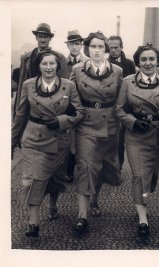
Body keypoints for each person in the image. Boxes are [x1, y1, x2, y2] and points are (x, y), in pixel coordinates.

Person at [12, 50, 84, 237]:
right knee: (31, 180)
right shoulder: (29, 85)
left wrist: (62, 121)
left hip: (59, 139)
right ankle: (33, 223)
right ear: (38, 66)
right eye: (44, 64)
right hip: (33, 138)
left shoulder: (68, 86)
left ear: (58, 67)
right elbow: (20, 115)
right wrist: (11, 142)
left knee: (55, 178)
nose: (48, 67)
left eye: (52, 64)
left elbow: (80, 113)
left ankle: (53, 205)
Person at [115, 42, 159, 238]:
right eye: (143, 59)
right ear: (137, 62)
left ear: (158, 61)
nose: (148, 63)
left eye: (152, 59)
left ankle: (142, 200)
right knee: (139, 175)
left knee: (152, 175)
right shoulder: (128, 82)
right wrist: (133, 122)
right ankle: (143, 217)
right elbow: (119, 110)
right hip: (135, 135)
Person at [70, 31, 123, 235]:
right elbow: (70, 96)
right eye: (93, 46)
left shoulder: (117, 71)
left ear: (107, 50)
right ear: (87, 49)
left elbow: (123, 99)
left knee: (100, 167)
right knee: (85, 166)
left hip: (110, 126)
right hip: (85, 125)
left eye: (101, 47)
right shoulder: (77, 70)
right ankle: (82, 216)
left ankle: (95, 200)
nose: (97, 50)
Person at [14, 23, 68, 114]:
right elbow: (21, 83)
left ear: (50, 38)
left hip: (49, 103)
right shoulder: (26, 57)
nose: (43, 40)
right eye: (40, 36)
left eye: (46, 37)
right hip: (29, 101)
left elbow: (64, 85)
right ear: (36, 37)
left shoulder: (59, 57)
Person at [108, 35, 136, 171]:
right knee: (108, 139)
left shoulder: (129, 64)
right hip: (108, 107)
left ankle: (117, 168)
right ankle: (107, 167)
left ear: (121, 47)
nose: (113, 50)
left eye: (116, 47)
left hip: (124, 108)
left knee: (120, 141)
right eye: (111, 47)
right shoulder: (104, 63)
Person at [64, 30, 87, 183]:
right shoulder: (60, 62)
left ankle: (85, 173)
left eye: (77, 44)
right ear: (68, 45)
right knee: (68, 142)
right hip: (66, 107)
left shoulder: (88, 62)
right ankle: (68, 172)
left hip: (83, 106)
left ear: (81, 45)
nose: (74, 47)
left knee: (83, 141)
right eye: (71, 44)